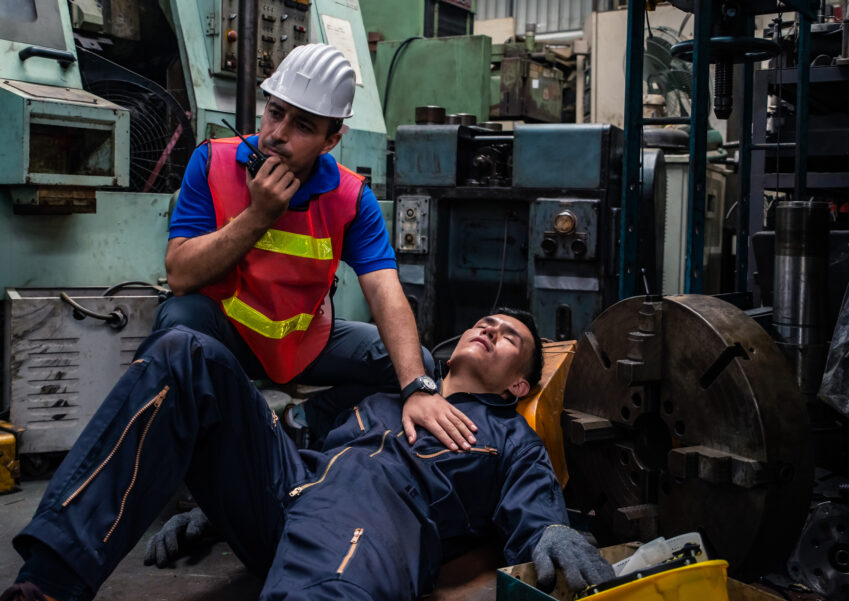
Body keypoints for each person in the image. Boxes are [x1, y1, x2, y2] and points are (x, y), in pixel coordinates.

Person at [3, 309, 614, 601]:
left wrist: (552, 530)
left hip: (381, 517)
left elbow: (534, 506)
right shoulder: (379, 395)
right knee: (184, 350)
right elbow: (280, 436)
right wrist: (219, 506)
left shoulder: (509, 435)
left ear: (518, 386)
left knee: (364, 479)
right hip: (291, 492)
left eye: (509, 337)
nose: (490, 329)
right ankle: (50, 583)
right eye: (485, 322)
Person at [157, 42, 476, 453]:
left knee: (418, 364)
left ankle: (306, 422)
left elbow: (384, 288)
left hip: (303, 340)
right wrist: (259, 214)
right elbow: (180, 276)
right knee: (178, 319)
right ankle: (208, 449)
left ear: (330, 140)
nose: (277, 135)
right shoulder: (212, 163)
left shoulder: (350, 197)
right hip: (226, 338)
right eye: (275, 112)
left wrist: (418, 387)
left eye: (303, 126)